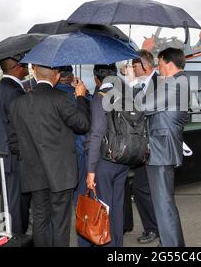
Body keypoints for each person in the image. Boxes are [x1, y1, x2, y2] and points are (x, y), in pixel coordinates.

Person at [8, 65, 90, 247]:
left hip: (34, 173)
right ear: (57, 75)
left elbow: (13, 143)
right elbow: (82, 124)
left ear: (35, 74)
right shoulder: (62, 99)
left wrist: (30, 156)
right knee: (60, 222)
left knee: (40, 220)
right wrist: (81, 98)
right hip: (61, 173)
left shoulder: (17, 103)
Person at [145, 47, 189, 247]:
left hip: (161, 149)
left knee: (163, 205)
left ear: (169, 64)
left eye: (160, 64)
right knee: (164, 203)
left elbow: (144, 106)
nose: (159, 68)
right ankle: (168, 243)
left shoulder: (174, 84)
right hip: (163, 147)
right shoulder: (178, 82)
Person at [84, 64, 129, 247]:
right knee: (117, 208)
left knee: (103, 208)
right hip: (124, 158)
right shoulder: (126, 94)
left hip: (104, 162)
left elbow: (96, 133)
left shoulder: (100, 98)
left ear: (96, 78)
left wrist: (90, 170)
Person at [0, 55, 31, 234]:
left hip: (3, 152)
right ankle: (15, 238)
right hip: (14, 154)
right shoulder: (14, 90)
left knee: (8, 201)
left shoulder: (1, 87)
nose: (28, 67)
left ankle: (8, 235)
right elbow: (21, 123)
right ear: (16, 67)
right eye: (24, 64)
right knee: (15, 204)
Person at [55, 66, 92, 247]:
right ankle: (84, 242)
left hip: (57, 160)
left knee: (57, 207)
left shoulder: (50, 97)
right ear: (71, 77)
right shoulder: (81, 96)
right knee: (82, 202)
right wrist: (82, 94)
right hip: (80, 156)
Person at [130, 50, 159, 244]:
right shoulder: (145, 84)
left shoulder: (159, 84)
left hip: (155, 145)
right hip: (146, 145)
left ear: (145, 66)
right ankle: (155, 227)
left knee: (142, 188)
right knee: (143, 188)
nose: (132, 69)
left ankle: (154, 228)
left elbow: (142, 110)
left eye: (134, 66)